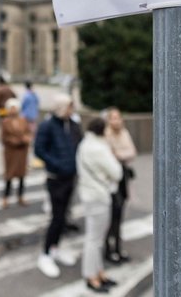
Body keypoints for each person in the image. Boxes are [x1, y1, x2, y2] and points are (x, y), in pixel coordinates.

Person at [35, 93, 82, 279]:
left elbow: (80, 145)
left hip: (71, 177)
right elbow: (39, 150)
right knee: (56, 218)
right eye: (69, 106)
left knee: (64, 217)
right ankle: (46, 253)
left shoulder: (73, 125)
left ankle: (56, 247)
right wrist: (57, 164)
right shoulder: (47, 126)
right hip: (55, 178)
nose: (72, 110)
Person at [78, 117, 122, 293]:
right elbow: (117, 172)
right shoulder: (99, 148)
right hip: (99, 196)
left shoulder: (85, 144)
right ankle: (91, 276)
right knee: (94, 239)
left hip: (88, 194)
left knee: (94, 238)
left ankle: (99, 272)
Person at [103, 107, 137, 265]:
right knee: (110, 216)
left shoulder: (124, 133)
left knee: (119, 214)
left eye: (118, 117)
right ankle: (108, 249)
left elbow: (132, 152)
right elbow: (109, 156)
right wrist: (122, 154)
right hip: (110, 180)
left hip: (122, 178)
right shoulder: (106, 135)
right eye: (113, 118)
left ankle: (117, 247)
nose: (116, 121)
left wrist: (120, 154)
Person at [1, 98, 32, 208]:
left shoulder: (23, 120)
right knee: (9, 175)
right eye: (11, 108)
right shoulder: (5, 122)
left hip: (22, 152)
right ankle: (5, 198)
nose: (13, 110)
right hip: (11, 152)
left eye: (15, 108)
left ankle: (20, 196)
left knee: (22, 175)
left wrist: (26, 138)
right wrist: (13, 140)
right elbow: (4, 137)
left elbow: (29, 133)